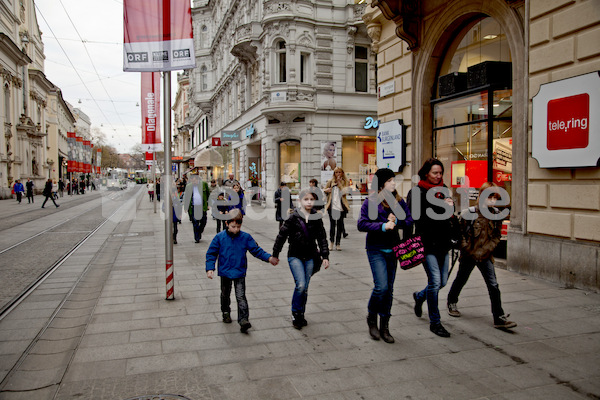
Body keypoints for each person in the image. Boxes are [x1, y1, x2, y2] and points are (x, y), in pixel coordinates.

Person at [447, 182, 517, 329]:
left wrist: (488, 249)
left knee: (493, 285)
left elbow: (497, 236)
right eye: (489, 197)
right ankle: (451, 301)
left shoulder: (497, 215)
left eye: (495, 198)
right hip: (469, 254)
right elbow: (460, 233)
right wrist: (465, 247)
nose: (492, 201)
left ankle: (499, 317)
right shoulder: (470, 213)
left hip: (485, 256)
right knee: (461, 279)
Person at [357, 168, 413, 343]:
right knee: (381, 286)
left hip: (393, 249)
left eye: (393, 180)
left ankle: (385, 326)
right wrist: (383, 225)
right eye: (390, 180)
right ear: (381, 184)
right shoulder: (371, 202)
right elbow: (362, 224)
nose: (393, 183)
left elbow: (410, 220)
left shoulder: (398, 201)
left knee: (389, 288)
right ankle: (372, 318)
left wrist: (397, 221)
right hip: (376, 249)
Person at [206, 209, 278, 333]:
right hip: (225, 272)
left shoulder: (245, 237)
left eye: (238, 226)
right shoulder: (219, 237)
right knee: (225, 294)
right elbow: (211, 253)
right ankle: (225, 311)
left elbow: (256, 250)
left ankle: (243, 319)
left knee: (241, 296)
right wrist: (210, 268)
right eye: (233, 226)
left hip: (239, 272)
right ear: (227, 224)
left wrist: (269, 258)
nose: (236, 229)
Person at [408, 158, 457, 338]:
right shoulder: (417, 192)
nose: (438, 176)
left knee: (442, 282)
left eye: (440, 173)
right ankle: (435, 322)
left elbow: (450, 216)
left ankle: (420, 296)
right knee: (435, 281)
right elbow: (417, 217)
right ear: (426, 173)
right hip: (426, 243)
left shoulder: (444, 191)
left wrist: (450, 209)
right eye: (435, 173)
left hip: (443, 244)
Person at [272, 189, 330, 329]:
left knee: (305, 287)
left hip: (310, 256)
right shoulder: (293, 217)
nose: (309, 202)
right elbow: (281, 236)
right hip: (295, 256)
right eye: (306, 199)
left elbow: (322, 237)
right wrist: (275, 254)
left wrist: (325, 256)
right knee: (301, 285)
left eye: (311, 199)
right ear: (300, 201)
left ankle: (301, 313)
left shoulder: (316, 217)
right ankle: (295, 313)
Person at [323, 167, 350, 251]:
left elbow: (345, 192)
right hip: (332, 206)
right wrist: (326, 190)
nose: (338, 174)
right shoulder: (330, 182)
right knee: (332, 225)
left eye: (339, 172)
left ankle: (338, 243)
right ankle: (331, 243)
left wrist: (340, 184)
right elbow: (324, 190)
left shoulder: (345, 182)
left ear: (342, 173)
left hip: (341, 207)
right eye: (336, 172)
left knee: (339, 226)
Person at [183, 175, 210, 243]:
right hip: (194, 207)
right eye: (192, 180)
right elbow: (186, 197)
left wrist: (209, 204)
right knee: (195, 223)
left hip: (202, 207)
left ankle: (199, 231)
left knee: (204, 221)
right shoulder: (189, 186)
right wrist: (186, 207)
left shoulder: (204, 184)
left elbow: (208, 195)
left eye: (194, 180)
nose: (193, 182)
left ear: (198, 180)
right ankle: (197, 238)